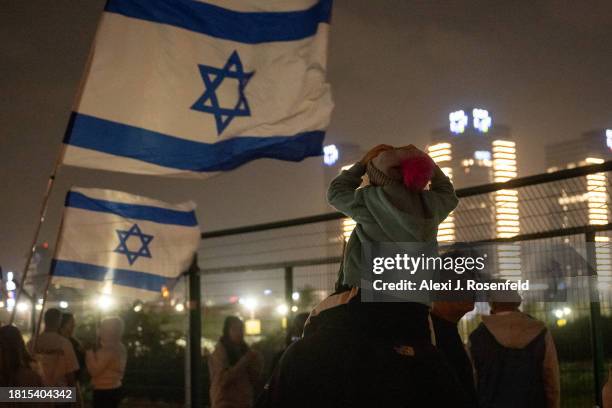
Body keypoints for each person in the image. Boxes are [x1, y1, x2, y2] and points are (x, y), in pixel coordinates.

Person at [257, 145, 470, 407]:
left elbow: (335, 192)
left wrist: (360, 166)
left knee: (314, 325)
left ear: (376, 177)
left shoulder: (372, 201)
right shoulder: (431, 205)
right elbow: (449, 193)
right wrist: (427, 163)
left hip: (367, 295)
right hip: (414, 306)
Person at [469, 290, 560, 408]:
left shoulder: (477, 337)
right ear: (517, 302)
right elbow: (551, 380)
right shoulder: (540, 332)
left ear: (492, 303)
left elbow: (472, 382)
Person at [209, 316, 263, 408]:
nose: (239, 332)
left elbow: (254, 379)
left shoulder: (244, 350)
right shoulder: (220, 352)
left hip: (243, 402)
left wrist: (257, 362)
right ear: (227, 331)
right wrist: (244, 361)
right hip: (225, 402)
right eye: (235, 329)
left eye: (241, 329)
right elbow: (222, 380)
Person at [28, 308, 79, 387]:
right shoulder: (65, 343)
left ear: (45, 320)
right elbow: (70, 374)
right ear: (59, 322)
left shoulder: (32, 343)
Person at [86, 317, 127, 408]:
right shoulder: (119, 347)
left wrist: (89, 352)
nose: (99, 331)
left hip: (105, 390)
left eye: (102, 328)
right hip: (113, 388)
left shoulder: (109, 349)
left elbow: (94, 371)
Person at [60, 312, 86, 382]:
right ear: (63, 324)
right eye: (71, 322)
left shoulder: (74, 342)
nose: (74, 325)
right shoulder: (59, 342)